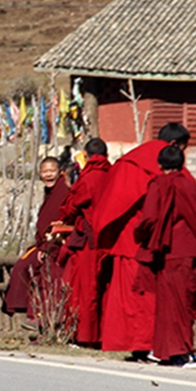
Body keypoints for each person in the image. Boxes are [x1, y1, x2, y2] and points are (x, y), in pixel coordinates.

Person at [95, 122, 192, 358]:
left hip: (124, 239)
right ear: (173, 145)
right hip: (148, 242)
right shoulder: (164, 164)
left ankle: (137, 346)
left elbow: (110, 202)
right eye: (183, 149)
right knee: (149, 297)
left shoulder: (130, 159)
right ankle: (150, 345)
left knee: (128, 298)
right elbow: (187, 199)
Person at [134, 146, 196, 367]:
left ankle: (184, 353)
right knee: (180, 302)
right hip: (191, 251)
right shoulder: (192, 187)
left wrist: (139, 235)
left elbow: (149, 219)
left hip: (169, 252)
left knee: (174, 304)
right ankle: (166, 351)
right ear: (182, 164)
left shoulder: (158, 185)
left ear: (160, 165)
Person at [58, 137, 111, 346]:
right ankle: (104, 333)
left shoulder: (88, 179)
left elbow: (70, 208)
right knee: (105, 287)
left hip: (88, 242)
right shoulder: (114, 174)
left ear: (86, 156)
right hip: (110, 240)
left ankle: (85, 336)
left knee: (84, 288)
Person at [3, 157, 70, 323]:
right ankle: (27, 311)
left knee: (28, 267)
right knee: (22, 266)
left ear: (59, 172)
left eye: (52, 171)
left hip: (55, 244)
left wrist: (46, 247)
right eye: (44, 171)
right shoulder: (51, 193)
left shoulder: (64, 192)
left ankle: (34, 314)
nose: (48, 175)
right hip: (44, 244)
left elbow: (62, 222)